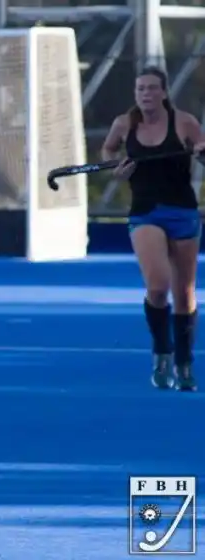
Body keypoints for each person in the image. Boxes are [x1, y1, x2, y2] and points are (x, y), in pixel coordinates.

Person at [101, 66, 203, 392]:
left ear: (164, 92)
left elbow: (202, 149)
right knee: (158, 286)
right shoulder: (124, 124)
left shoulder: (183, 122)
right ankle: (162, 353)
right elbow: (108, 150)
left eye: (151, 88)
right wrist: (116, 169)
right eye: (140, 88)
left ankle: (184, 364)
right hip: (145, 212)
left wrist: (201, 153)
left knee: (184, 293)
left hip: (183, 212)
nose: (145, 94)